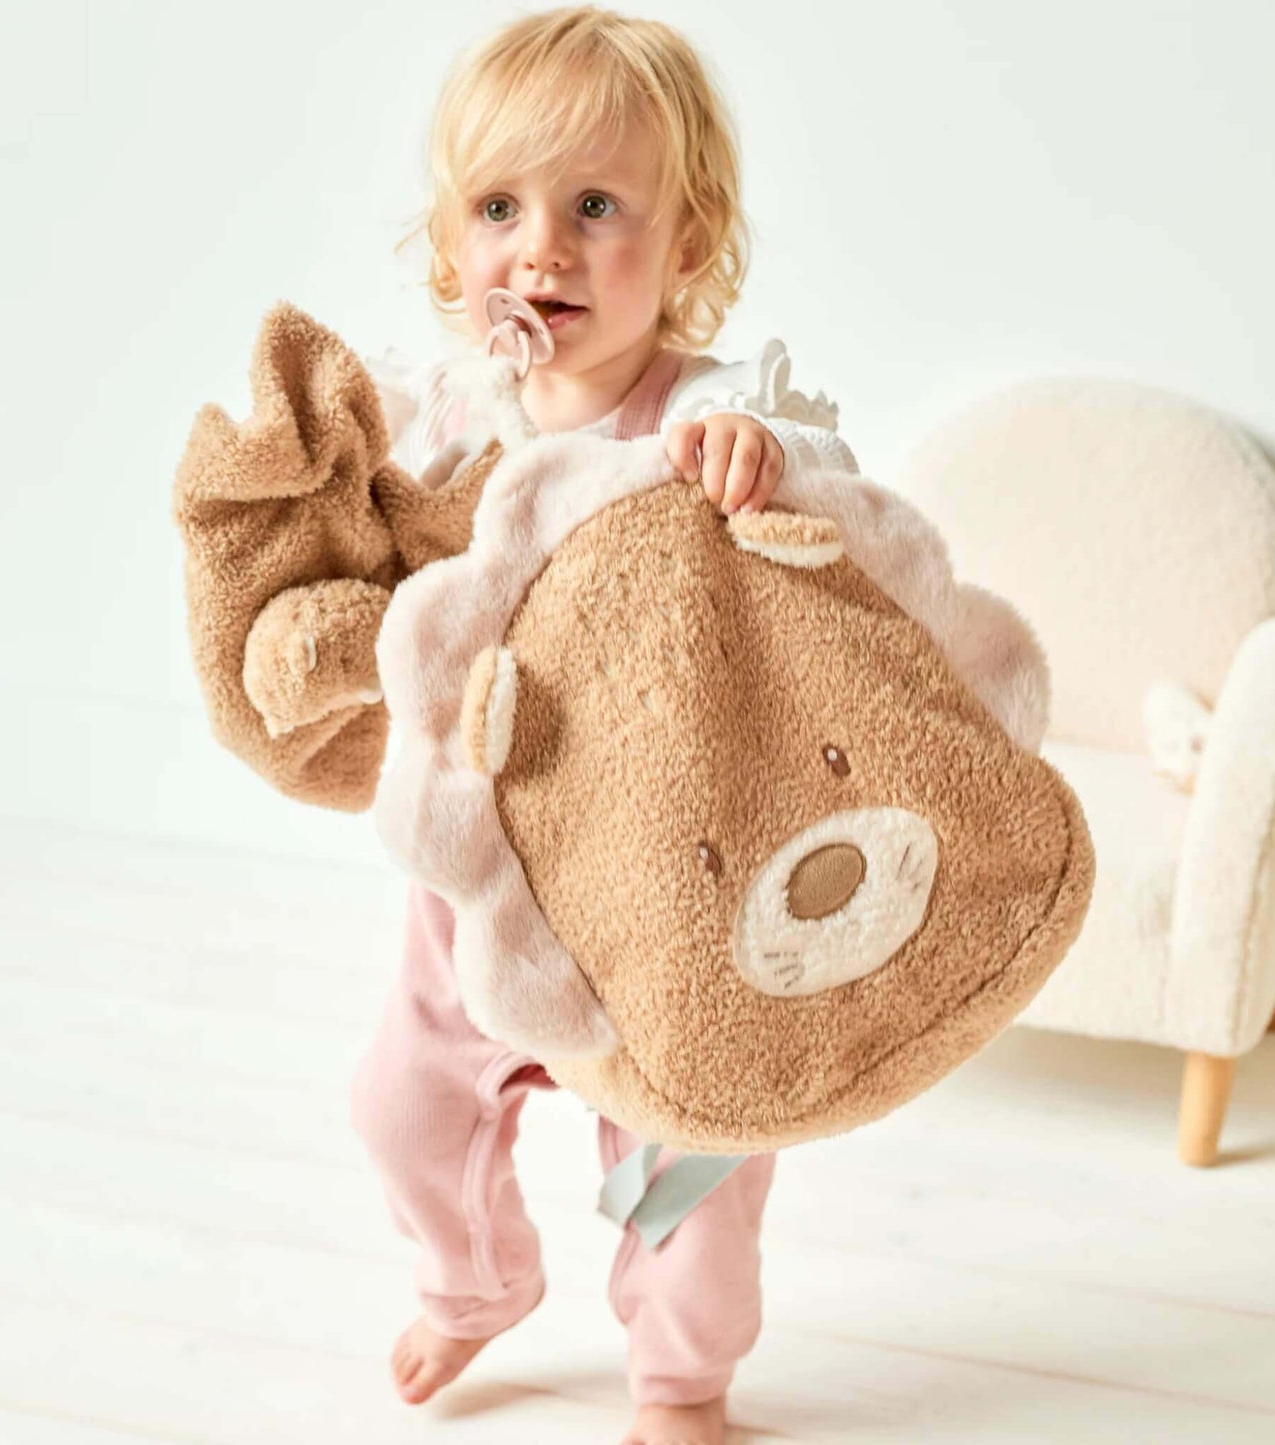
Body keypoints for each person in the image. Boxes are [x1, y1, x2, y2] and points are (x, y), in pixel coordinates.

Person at [349, 9, 858, 1444]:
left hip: (664, 877)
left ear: (684, 248)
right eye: (497, 207)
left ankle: (679, 1373)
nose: (541, 249)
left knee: (694, 1143)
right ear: (449, 241)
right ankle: (474, 1280)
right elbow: (365, 531)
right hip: (477, 865)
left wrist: (764, 462)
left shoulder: (702, 408)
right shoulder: (451, 416)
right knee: (403, 1098)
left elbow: (830, 487)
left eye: (595, 209)